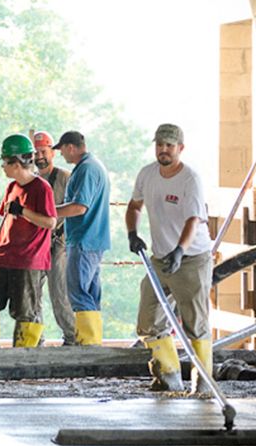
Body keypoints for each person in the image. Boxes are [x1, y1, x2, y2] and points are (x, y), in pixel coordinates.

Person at [125, 123, 213, 393]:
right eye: (160, 145)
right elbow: (134, 206)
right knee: (148, 321)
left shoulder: (190, 179)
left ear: (180, 149)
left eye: (169, 146)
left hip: (191, 258)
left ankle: (204, 383)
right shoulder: (147, 174)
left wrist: (180, 250)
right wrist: (132, 233)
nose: (163, 150)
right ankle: (169, 374)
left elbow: (193, 219)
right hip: (160, 258)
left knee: (195, 324)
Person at [0, 134, 57, 349]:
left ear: (16, 162)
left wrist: (23, 211)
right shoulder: (12, 188)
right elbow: (6, 222)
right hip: (3, 257)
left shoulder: (41, 188)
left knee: (25, 311)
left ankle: (23, 359)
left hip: (28, 261)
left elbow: (51, 222)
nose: (3, 166)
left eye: (4, 161)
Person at [54, 131, 112, 345]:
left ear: (70, 147)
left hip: (84, 238)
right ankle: (93, 343)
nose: (61, 154)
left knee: (78, 293)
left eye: (61, 149)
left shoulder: (87, 169)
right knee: (90, 293)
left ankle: (87, 346)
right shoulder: (93, 165)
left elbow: (79, 207)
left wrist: (49, 211)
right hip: (94, 239)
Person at [31, 131, 75, 345]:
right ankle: (35, 337)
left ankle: (72, 336)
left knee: (59, 292)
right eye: (36, 152)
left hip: (58, 242)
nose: (39, 156)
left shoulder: (65, 178)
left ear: (52, 153)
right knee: (32, 293)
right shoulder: (29, 180)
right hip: (35, 244)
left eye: (43, 151)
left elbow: (76, 209)